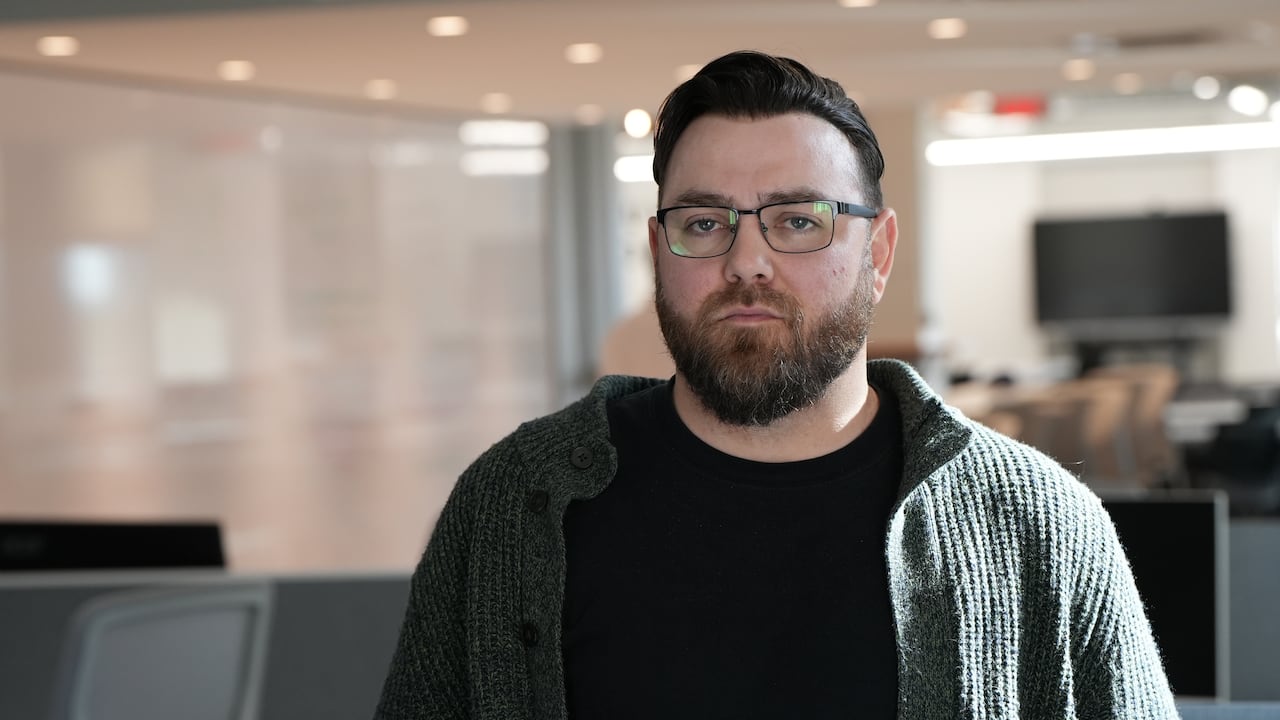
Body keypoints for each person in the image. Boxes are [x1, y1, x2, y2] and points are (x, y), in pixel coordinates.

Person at [375, 50, 1178, 719]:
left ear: (880, 251)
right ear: (659, 251)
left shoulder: (1036, 522)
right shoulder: (514, 503)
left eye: (798, 220)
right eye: (703, 222)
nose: (746, 261)